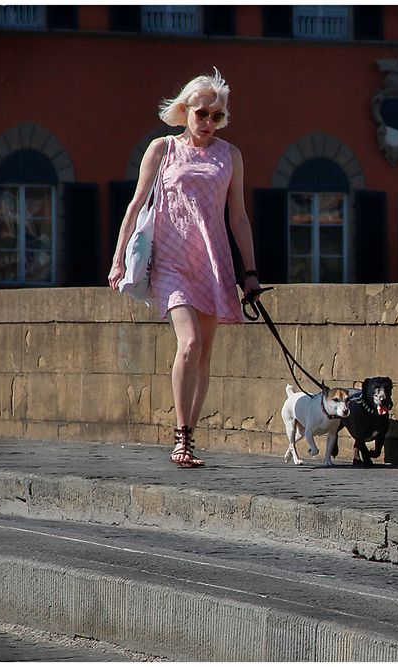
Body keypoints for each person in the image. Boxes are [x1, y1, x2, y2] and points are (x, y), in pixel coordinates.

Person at [109, 68, 261, 468]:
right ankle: (179, 435)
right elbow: (137, 204)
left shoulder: (231, 156)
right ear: (185, 111)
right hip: (172, 259)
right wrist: (118, 257)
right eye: (202, 114)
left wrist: (250, 273)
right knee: (189, 342)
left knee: (205, 353)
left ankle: (189, 439)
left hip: (212, 259)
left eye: (217, 116)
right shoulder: (162, 149)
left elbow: (239, 217)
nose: (209, 122)